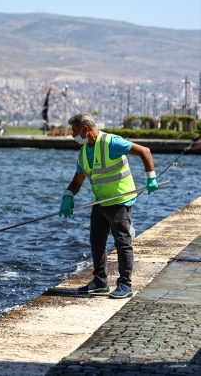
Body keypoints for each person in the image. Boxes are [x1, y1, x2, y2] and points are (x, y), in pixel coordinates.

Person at [59, 113, 158, 299]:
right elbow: (77, 181)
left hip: (120, 200)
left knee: (122, 241)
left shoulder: (111, 143)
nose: (72, 135)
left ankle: (125, 285)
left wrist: (150, 178)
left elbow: (145, 151)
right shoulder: (83, 154)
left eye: (74, 131)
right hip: (100, 202)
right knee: (97, 241)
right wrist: (68, 196)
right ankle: (100, 282)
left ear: (85, 129)